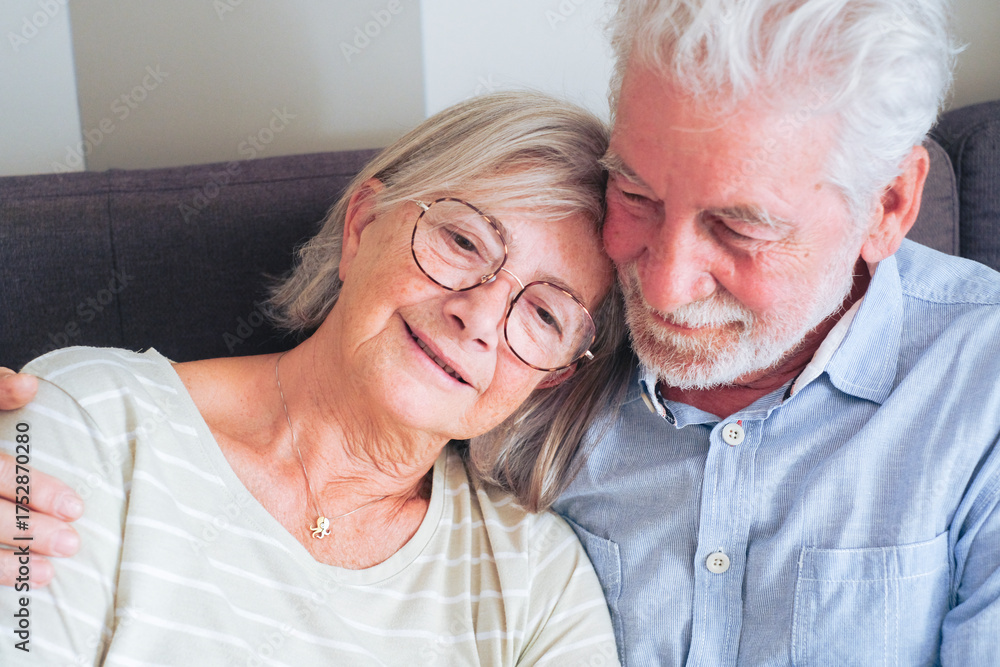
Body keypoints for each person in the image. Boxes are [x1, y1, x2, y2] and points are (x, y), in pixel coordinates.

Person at [6, 0, 1000, 664]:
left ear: (889, 205)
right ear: (363, 222)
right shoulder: (88, 422)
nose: (661, 281)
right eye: (637, 195)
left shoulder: (530, 568)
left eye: (739, 228)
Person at [0, 91, 625, 665]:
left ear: (554, 377)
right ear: (362, 227)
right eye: (463, 240)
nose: (480, 318)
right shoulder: (90, 417)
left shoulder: (539, 583)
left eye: (546, 316)